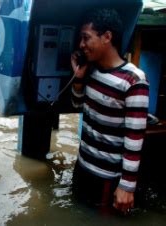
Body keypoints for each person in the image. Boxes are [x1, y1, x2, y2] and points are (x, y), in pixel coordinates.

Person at [70, 8, 149, 214]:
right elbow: (79, 107)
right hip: (83, 168)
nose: (81, 45)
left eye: (86, 38)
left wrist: (126, 186)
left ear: (107, 37)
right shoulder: (92, 70)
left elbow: (135, 138)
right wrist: (78, 78)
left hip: (107, 178)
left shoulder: (134, 80)